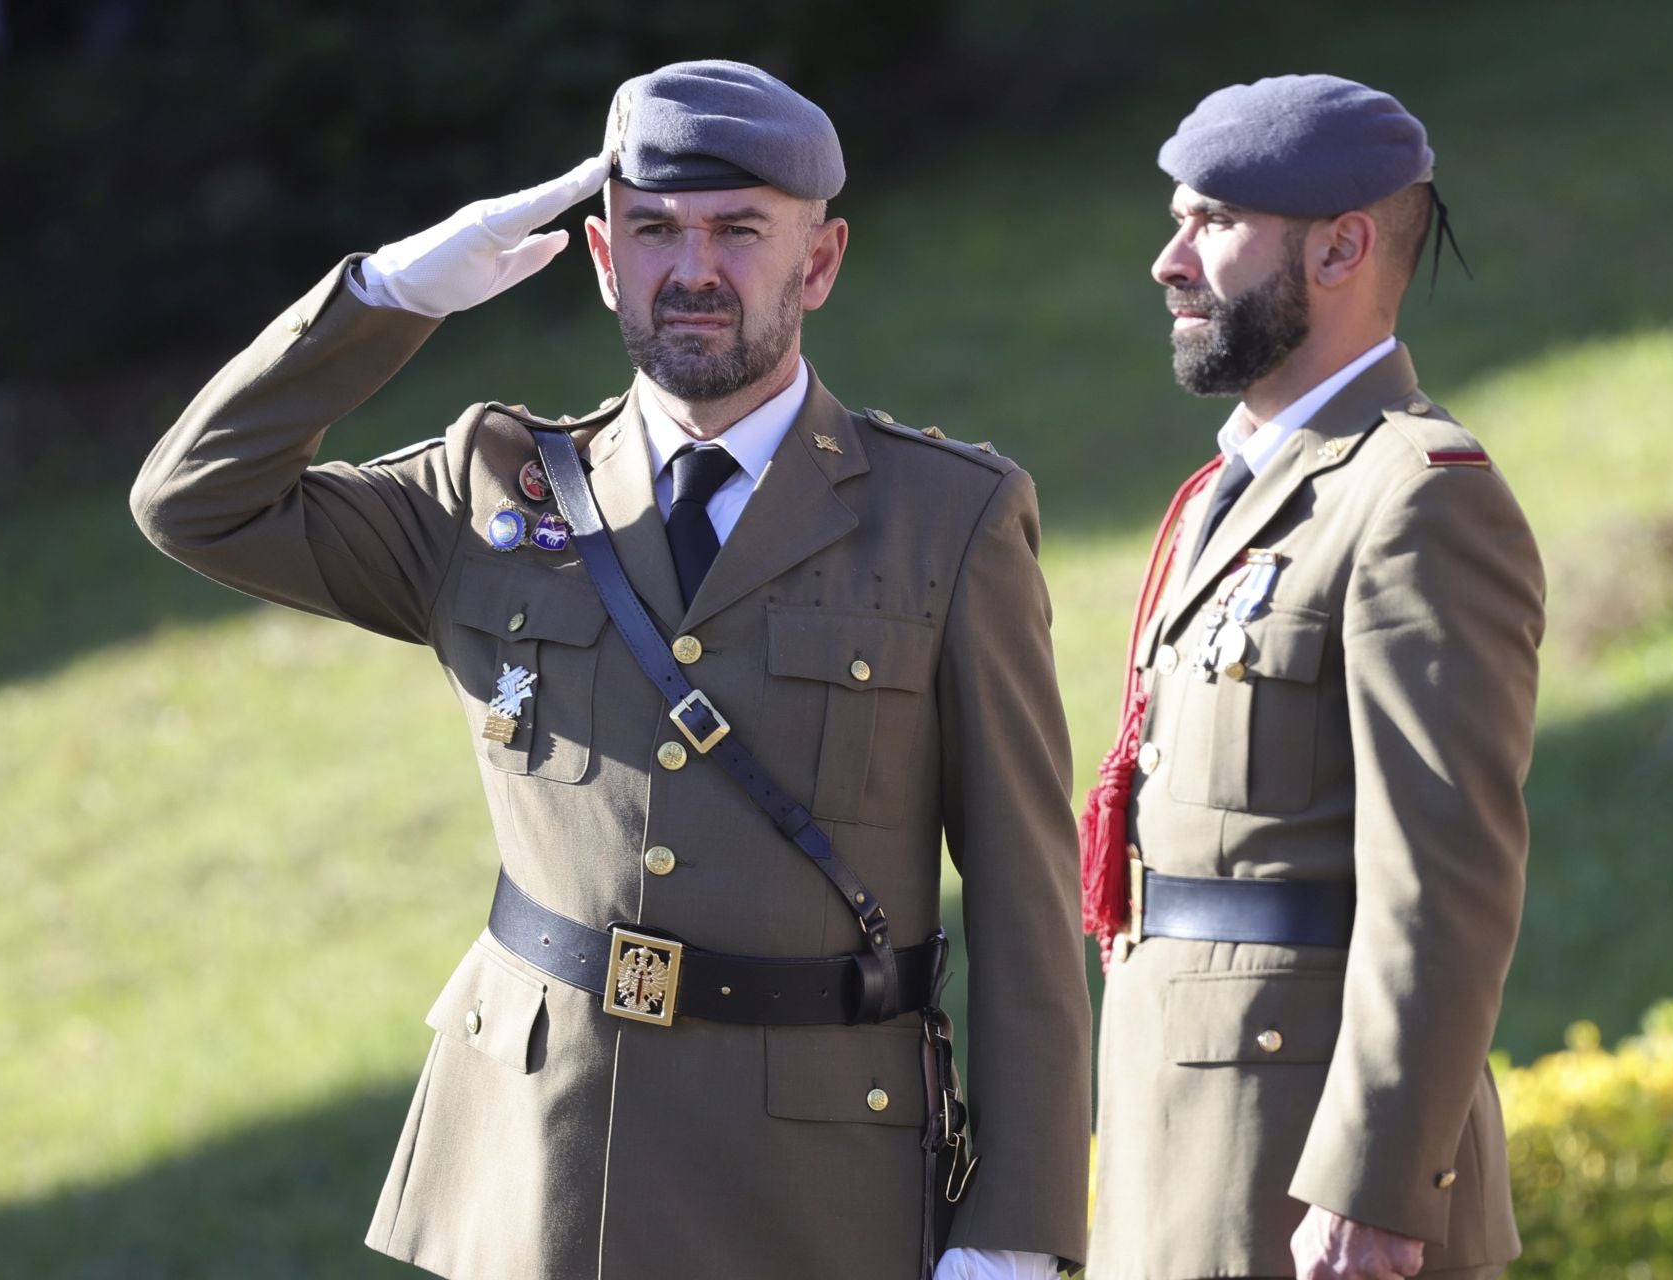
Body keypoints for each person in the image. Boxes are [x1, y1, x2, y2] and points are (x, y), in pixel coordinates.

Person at [131, 59, 1088, 1280]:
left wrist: (1016, 1231)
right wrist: (390, 293)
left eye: (740, 230)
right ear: (600, 257)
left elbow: (1024, 900)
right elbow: (193, 502)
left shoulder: (945, 519)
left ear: (823, 260)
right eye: (655, 232)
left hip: (813, 1187)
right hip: (541, 1165)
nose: (692, 270)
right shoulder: (492, 492)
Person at [1079, 75, 1545, 1280]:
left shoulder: (1418, 498)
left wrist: (1375, 1182)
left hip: (1315, 1188)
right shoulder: (1238, 489)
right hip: (1187, 1146)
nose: (1168, 261)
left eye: (1214, 223)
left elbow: (1446, 881)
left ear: (1341, 247)